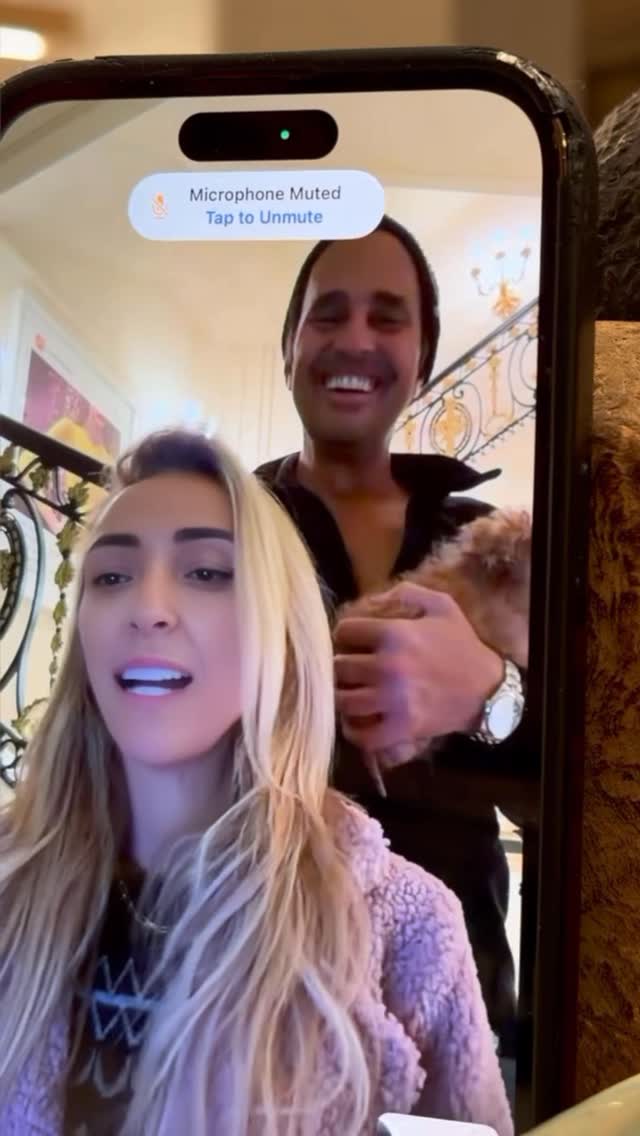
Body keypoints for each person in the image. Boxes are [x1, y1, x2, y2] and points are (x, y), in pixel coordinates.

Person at [0, 428, 512, 1136]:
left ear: (281, 629)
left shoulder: (409, 927)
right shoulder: (10, 886)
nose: (147, 606)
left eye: (207, 572)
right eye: (111, 576)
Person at [256, 215, 534, 1058]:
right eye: (327, 314)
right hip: (256, 995)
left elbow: (579, 789)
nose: (355, 339)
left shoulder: (501, 546)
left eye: (387, 317)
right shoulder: (222, 532)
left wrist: (491, 696)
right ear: (289, 346)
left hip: (458, 1005)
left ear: (424, 355)